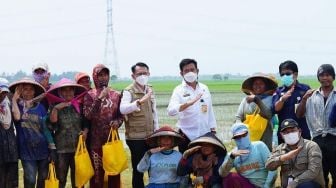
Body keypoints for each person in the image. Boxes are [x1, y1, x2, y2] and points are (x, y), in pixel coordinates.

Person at [83, 64, 124, 188]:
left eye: (105, 75)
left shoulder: (116, 95)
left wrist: (118, 122)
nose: (103, 78)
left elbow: (121, 116)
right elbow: (88, 115)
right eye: (100, 75)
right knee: (97, 176)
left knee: (114, 174)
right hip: (95, 142)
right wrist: (99, 98)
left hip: (112, 141)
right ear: (95, 77)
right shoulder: (89, 95)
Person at [296, 64, 336, 187]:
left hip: (335, 138)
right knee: (319, 174)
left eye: (328, 75)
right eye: (322, 75)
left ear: (333, 77)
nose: (325, 78)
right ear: (318, 78)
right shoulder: (310, 96)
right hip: (317, 139)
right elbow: (299, 114)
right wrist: (303, 100)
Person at [120, 62, 159, 188]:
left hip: (151, 136)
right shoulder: (128, 91)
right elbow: (123, 109)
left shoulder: (150, 89)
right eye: (139, 74)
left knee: (153, 169)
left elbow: (154, 113)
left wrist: (157, 132)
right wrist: (140, 101)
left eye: (144, 73)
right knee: (138, 170)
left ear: (149, 73)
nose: (142, 76)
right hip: (136, 137)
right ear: (133, 76)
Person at [10, 78, 54, 188]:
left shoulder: (41, 108)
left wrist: (51, 147)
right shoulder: (17, 107)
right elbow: (16, 117)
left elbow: (45, 128)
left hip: (43, 149)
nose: (28, 92)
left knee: (42, 178)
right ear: (20, 91)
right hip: (26, 151)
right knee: (30, 179)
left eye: (31, 89)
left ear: (34, 92)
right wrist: (15, 99)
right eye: (25, 89)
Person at [167, 58, 216, 153]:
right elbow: (170, 111)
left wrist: (213, 130)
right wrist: (187, 104)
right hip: (186, 136)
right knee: (187, 164)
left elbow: (209, 110)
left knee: (204, 165)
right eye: (186, 71)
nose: (190, 73)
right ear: (181, 73)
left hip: (204, 135)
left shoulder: (204, 88)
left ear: (197, 71)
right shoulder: (178, 90)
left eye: (192, 70)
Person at [46, 78, 88, 188]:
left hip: (77, 148)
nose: (68, 93)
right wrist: (56, 109)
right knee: (61, 179)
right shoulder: (54, 106)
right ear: (60, 92)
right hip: (61, 149)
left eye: (70, 90)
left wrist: (85, 132)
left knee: (78, 180)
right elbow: (52, 124)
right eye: (64, 90)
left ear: (74, 91)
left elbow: (86, 123)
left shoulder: (79, 106)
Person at [266, 119, 325, 188]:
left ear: (299, 131)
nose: (289, 134)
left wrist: (295, 182)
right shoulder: (280, 148)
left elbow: (313, 171)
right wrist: (283, 158)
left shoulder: (311, 146)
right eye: (286, 132)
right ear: (282, 135)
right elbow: (268, 166)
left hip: (308, 184)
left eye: (292, 131)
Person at [219, 123, 276, 188]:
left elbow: (273, 169)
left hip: (263, 186)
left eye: (244, 135)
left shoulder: (259, 146)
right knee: (230, 177)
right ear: (234, 139)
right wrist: (231, 157)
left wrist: (267, 186)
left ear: (248, 134)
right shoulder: (233, 154)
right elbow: (222, 174)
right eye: (237, 137)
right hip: (247, 185)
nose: (241, 139)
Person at [236, 72, 278, 150]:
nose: (257, 86)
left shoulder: (271, 99)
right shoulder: (245, 100)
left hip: (265, 139)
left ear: (266, 86)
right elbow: (238, 117)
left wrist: (256, 100)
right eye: (255, 84)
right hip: (247, 138)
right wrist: (240, 130)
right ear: (252, 86)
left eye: (261, 83)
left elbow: (268, 115)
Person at [272, 60, 311, 143]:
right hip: (284, 134)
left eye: (288, 74)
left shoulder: (305, 89)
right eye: (282, 74)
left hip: (302, 132)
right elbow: (275, 109)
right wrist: (282, 99)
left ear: (295, 74)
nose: (285, 76)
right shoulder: (278, 91)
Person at [0, 78, 18, 188]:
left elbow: (17, 117)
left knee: (11, 181)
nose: (2, 95)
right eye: (1, 92)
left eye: (5, 92)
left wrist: (15, 100)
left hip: (11, 149)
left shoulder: (9, 104)